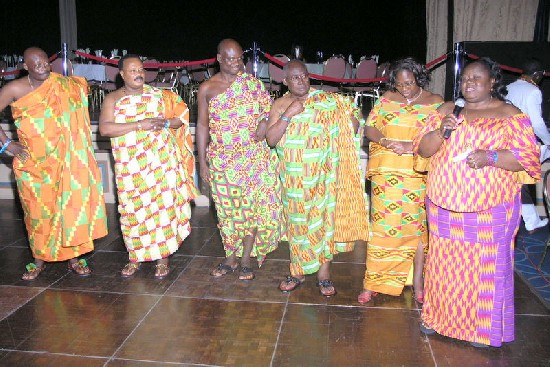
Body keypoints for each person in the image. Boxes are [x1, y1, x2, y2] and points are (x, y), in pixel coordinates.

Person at [413, 57, 540, 347]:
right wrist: (441, 131)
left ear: (493, 82)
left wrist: (491, 156)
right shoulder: (448, 109)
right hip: (444, 207)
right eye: (465, 79)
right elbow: (423, 148)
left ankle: (481, 329)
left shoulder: (509, 114)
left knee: (484, 270)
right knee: (444, 266)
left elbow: (528, 159)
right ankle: (437, 317)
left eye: (476, 79)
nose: (468, 84)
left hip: (489, 210)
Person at [0, 47, 108, 280]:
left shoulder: (65, 85)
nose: (43, 67)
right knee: (39, 214)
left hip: (69, 163)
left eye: (45, 63)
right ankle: (39, 260)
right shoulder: (14, 88)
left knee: (71, 209)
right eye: (36, 64)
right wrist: (7, 144)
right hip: (34, 166)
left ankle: (74, 258)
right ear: (25, 67)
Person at [266, 59, 369, 296]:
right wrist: (289, 114)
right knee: (297, 224)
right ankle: (297, 272)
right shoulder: (281, 104)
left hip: (324, 176)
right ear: (285, 81)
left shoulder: (327, 101)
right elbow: (271, 139)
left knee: (324, 223)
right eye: (295, 77)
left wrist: (349, 124)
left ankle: (324, 276)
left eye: (304, 76)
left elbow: (352, 117)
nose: (301, 81)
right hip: (293, 179)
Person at [99, 54, 198, 278]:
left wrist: (164, 122)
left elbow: (179, 120)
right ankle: (135, 256)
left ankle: (163, 259)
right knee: (133, 211)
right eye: (133, 71)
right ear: (122, 74)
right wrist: (139, 124)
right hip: (131, 167)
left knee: (162, 210)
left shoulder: (160, 96)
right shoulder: (112, 99)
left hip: (162, 163)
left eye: (141, 70)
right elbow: (105, 129)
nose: (139, 74)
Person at [358, 57, 444, 305]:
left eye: (409, 83)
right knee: (383, 229)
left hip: (417, 173)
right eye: (399, 84)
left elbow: (438, 136)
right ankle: (373, 282)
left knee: (416, 230)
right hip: (387, 174)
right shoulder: (387, 99)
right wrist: (384, 141)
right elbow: (370, 127)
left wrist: (410, 145)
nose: (404, 89)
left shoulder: (435, 102)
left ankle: (418, 282)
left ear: (419, 78)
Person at [196, 39, 283, 280]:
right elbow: (202, 126)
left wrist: (265, 122)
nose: (236, 63)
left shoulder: (252, 84)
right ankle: (230, 258)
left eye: (239, 58)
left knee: (252, 211)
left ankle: (245, 260)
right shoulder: (207, 88)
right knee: (226, 212)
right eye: (231, 58)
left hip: (253, 158)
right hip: (222, 160)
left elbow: (269, 110)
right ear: (219, 59)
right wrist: (201, 161)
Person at [506, 58, 549, 233]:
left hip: (508, 143)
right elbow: (537, 124)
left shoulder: (509, 87)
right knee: (543, 173)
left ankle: (532, 219)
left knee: (520, 183)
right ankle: (537, 215)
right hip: (526, 145)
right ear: (538, 75)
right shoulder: (533, 91)